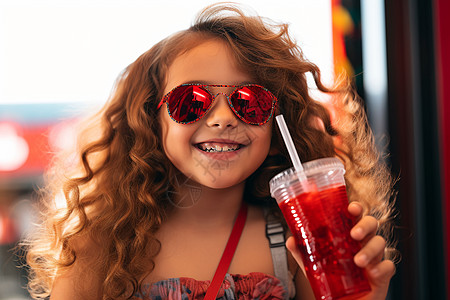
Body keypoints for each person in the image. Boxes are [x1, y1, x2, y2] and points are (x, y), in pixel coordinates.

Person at [24, 3, 397, 300]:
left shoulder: (297, 246)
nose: (222, 118)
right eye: (192, 100)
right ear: (151, 119)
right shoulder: (98, 246)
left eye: (248, 101)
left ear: (275, 121)